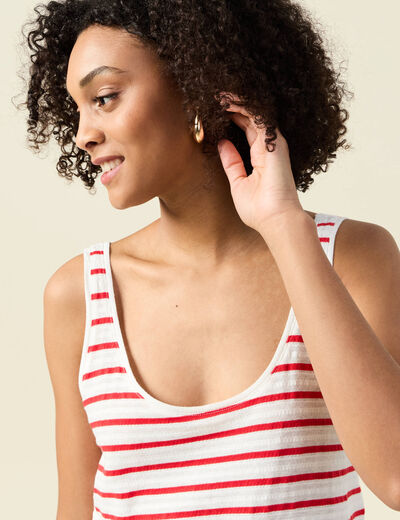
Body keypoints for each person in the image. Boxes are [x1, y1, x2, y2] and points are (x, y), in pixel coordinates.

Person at [19, 0, 400, 518]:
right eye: (78, 108)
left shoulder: (350, 257)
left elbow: (396, 478)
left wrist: (284, 225)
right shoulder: (79, 296)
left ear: (197, 82)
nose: (83, 134)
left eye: (104, 98)